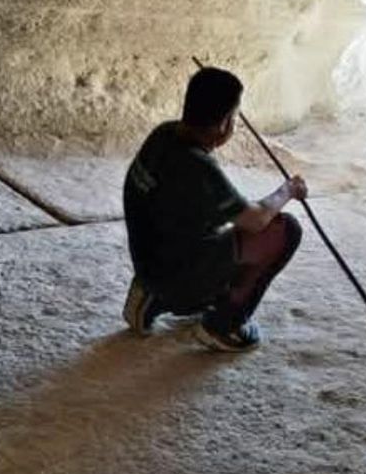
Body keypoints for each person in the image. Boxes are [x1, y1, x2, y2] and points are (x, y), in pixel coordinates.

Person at [121, 67, 307, 351]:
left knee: (210, 228)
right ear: (225, 125)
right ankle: (222, 327)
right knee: (284, 231)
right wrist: (288, 190)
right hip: (175, 273)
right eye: (234, 117)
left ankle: (150, 295)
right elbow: (255, 220)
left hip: (149, 263)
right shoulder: (196, 167)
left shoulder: (164, 134)